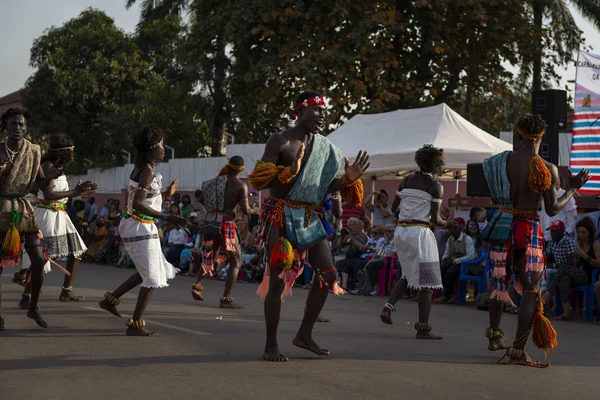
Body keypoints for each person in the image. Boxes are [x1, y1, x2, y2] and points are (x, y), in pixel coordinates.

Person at [248, 90, 370, 362]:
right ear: (299, 111)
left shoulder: (327, 149)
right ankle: (271, 345)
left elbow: (325, 187)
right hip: (280, 213)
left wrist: (348, 180)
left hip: (308, 215)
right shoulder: (280, 140)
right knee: (278, 280)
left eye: (325, 112)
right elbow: (260, 180)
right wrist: (289, 171)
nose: (322, 116)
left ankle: (304, 334)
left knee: (328, 274)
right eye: (316, 110)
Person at [481, 114, 588, 367]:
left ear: (518, 135)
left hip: (502, 226)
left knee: (499, 286)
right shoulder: (544, 167)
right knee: (531, 292)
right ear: (542, 136)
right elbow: (552, 210)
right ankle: (517, 351)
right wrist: (572, 188)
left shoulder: (499, 163)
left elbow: (497, 198)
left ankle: (495, 337)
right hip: (528, 230)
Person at [98, 125, 187, 336]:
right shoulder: (147, 172)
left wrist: (167, 193)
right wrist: (167, 217)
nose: (164, 149)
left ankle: (110, 301)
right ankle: (135, 324)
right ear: (153, 148)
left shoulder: (141, 169)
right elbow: (138, 204)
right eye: (162, 145)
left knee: (145, 271)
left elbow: (148, 200)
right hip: (139, 225)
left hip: (140, 225)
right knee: (153, 275)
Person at [379, 144, 457, 340]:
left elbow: (395, 208)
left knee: (408, 273)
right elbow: (435, 221)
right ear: (437, 164)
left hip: (402, 232)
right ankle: (423, 329)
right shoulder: (435, 186)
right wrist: (450, 225)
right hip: (420, 233)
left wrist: (410, 212)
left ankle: (388, 307)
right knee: (427, 282)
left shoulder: (405, 180)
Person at [19, 134, 97, 309]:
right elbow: (49, 195)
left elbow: (62, 196)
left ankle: (66, 290)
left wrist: (81, 192)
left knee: (76, 251)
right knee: (41, 260)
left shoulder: (58, 168)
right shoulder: (47, 166)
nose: (73, 156)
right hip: (47, 216)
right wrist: (75, 192)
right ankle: (26, 296)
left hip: (60, 216)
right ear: (63, 152)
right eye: (71, 152)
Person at [0, 108, 61, 329]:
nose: (17, 128)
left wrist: (50, 179)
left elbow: (39, 185)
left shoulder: (34, 151)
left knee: (39, 260)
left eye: (21, 125)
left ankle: (33, 308)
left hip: (23, 210)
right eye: (13, 124)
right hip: (1, 209)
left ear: (26, 129)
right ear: (6, 126)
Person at [191, 156, 250, 309]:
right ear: (242, 169)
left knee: (210, 255)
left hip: (210, 221)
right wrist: (252, 210)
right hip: (226, 223)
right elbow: (245, 209)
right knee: (236, 261)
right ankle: (226, 298)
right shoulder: (240, 186)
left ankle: (197, 285)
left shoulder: (214, 182)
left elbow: (202, 199)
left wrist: (215, 205)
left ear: (228, 167)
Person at [541, 218, 597, 321]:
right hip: (579, 273)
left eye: (584, 232)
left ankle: (548, 294)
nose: (581, 235)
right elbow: (575, 265)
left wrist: (585, 256)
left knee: (562, 267)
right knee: (564, 278)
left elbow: (598, 264)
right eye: (579, 232)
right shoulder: (579, 244)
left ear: (590, 232)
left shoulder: (595, 244)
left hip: (590, 276)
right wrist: (577, 258)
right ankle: (566, 313)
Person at [434, 217, 477, 304]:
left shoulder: (467, 239)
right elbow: (447, 252)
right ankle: (449, 294)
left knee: (451, 272)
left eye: (455, 228)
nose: (452, 231)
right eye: (451, 229)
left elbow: (471, 256)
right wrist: (445, 259)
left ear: (460, 228)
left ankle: (449, 295)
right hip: (454, 261)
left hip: (465, 264)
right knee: (441, 269)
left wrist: (455, 261)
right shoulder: (450, 239)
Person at [541, 219, 576, 304]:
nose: (552, 233)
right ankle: (542, 302)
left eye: (555, 231)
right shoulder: (552, 242)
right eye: (551, 231)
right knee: (542, 272)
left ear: (562, 230)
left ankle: (545, 302)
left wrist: (553, 265)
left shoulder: (569, 241)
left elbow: (571, 263)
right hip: (557, 270)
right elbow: (546, 258)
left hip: (569, 272)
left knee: (548, 272)